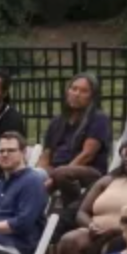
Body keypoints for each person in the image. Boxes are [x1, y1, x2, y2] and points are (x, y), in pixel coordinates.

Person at [39, 73, 112, 206]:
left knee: (63, 173)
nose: (76, 94)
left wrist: (54, 178)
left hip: (89, 170)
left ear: (92, 97)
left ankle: (74, 209)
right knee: (32, 175)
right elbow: (46, 154)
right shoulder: (57, 121)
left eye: (84, 91)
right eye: (74, 89)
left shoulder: (98, 119)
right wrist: (39, 173)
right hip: (57, 169)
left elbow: (87, 155)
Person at [0, 133, 47, 254]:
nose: (4, 154)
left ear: (23, 152)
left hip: (13, 249)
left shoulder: (32, 181)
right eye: (1, 151)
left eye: (11, 150)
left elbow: (22, 224)